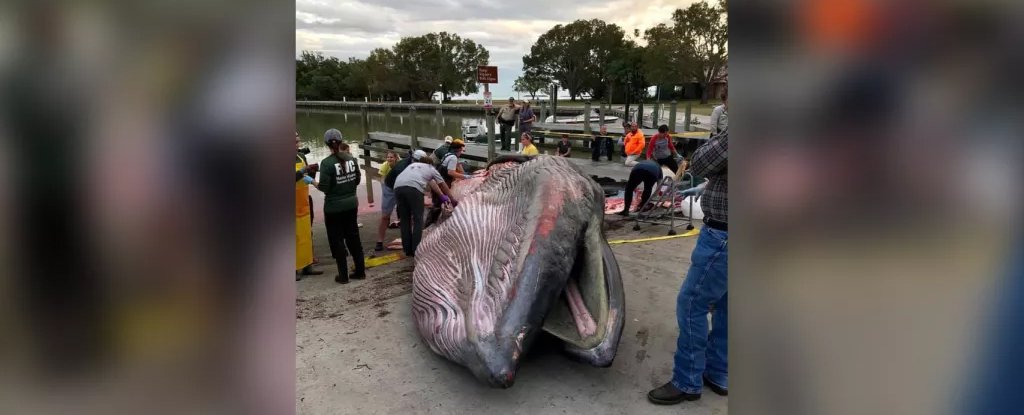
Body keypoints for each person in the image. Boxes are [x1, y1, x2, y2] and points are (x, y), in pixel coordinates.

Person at [648, 129, 728, 405]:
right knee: (729, 305)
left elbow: (702, 163)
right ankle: (720, 373)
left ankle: (687, 380)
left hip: (724, 235)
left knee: (692, 303)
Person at [316, 129, 366, 284]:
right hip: (352, 203)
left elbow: (325, 187)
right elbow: (357, 180)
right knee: (353, 237)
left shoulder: (326, 163)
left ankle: (343, 276)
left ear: (326, 144)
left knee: (337, 240)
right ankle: (360, 271)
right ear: (341, 141)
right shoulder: (351, 159)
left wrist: (312, 182)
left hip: (333, 208)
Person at [393, 151, 456, 257]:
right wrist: (452, 199)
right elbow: (442, 184)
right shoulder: (431, 169)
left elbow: (432, 183)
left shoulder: (412, 165)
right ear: (430, 163)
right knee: (418, 219)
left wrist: (440, 195)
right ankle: (416, 249)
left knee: (405, 219)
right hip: (414, 189)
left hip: (398, 187)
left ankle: (407, 249)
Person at [296, 133, 324, 280]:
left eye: (298, 140)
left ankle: (307, 266)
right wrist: (301, 172)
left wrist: (312, 172)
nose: (297, 143)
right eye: (294, 141)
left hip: (303, 201)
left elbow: (309, 178)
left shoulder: (301, 156)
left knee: (307, 235)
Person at [426, 140, 467, 226]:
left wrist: (463, 174)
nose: (462, 153)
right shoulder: (453, 158)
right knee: (437, 204)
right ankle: (429, 225)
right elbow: (450, 172)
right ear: (458, 150)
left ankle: (432, 223)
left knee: (437, 203)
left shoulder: (448, 154)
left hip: (438, 179)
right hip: (442, 182)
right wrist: (465, 177)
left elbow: (458, 166)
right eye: (461, 150)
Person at [374, 150, 400, 252]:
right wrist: (386, 190)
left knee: (406, 214)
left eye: (391, 157)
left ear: (396, 158)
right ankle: (379, 241)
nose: (389, 159)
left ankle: (409, 238)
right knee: (385, 217)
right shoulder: (385, 165)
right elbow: (382, 179)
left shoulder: (400, 165)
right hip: (389, 189)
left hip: (399, 188)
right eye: (388, 157)